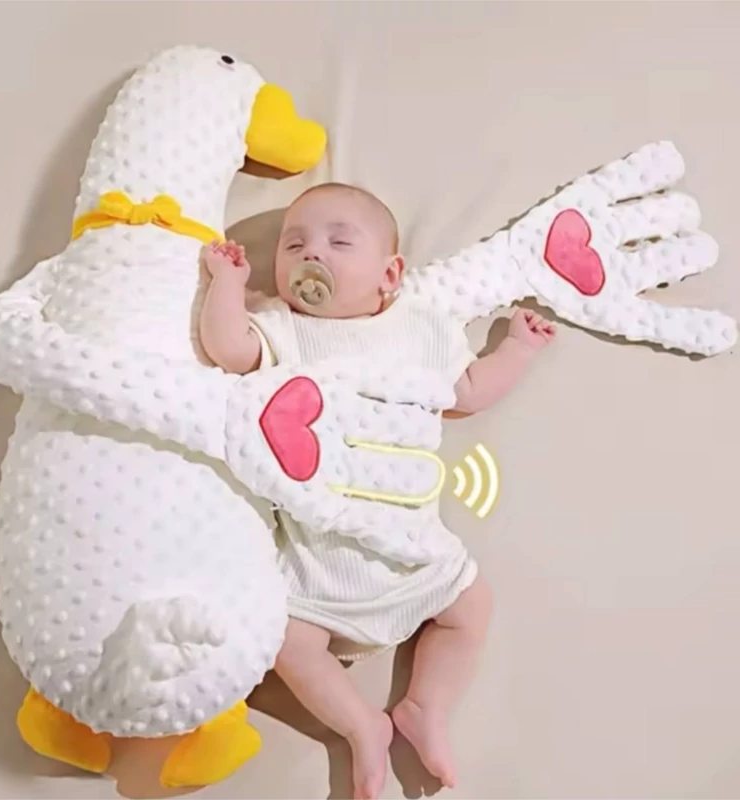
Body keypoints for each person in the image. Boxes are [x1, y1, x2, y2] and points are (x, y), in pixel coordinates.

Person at [198, 182, 555, 799]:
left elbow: (468, 392)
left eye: (339, 243)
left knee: (471, 607)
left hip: (414, 548)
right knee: (285, 641)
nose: (313, 254)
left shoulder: (419, 330)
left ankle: (425, 706)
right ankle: (360, 725)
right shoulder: (285, 328)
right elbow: (229, 350)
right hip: (318, 561)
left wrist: (517, 350)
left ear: (389, 274)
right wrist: (226, 285)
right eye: (294, 245)